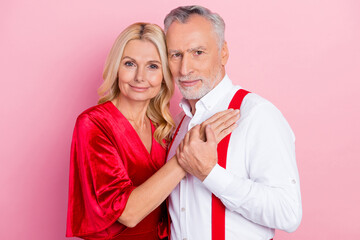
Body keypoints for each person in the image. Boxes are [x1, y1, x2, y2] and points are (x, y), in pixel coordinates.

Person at [66, 22, 240, 240]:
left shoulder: (166, 127)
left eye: (153, 66)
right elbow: (127, 214)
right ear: (116, 68)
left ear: (165, 74)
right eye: (129, 64)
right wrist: (187, 156)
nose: (140, 77)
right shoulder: (94, 123)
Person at [164, 5, 302, 240]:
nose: (185, 69)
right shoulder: (177, 123)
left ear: (223, 52)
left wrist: (210, 173)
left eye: (198, 52)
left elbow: (288, 213)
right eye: (176, 54)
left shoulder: (257, 115)